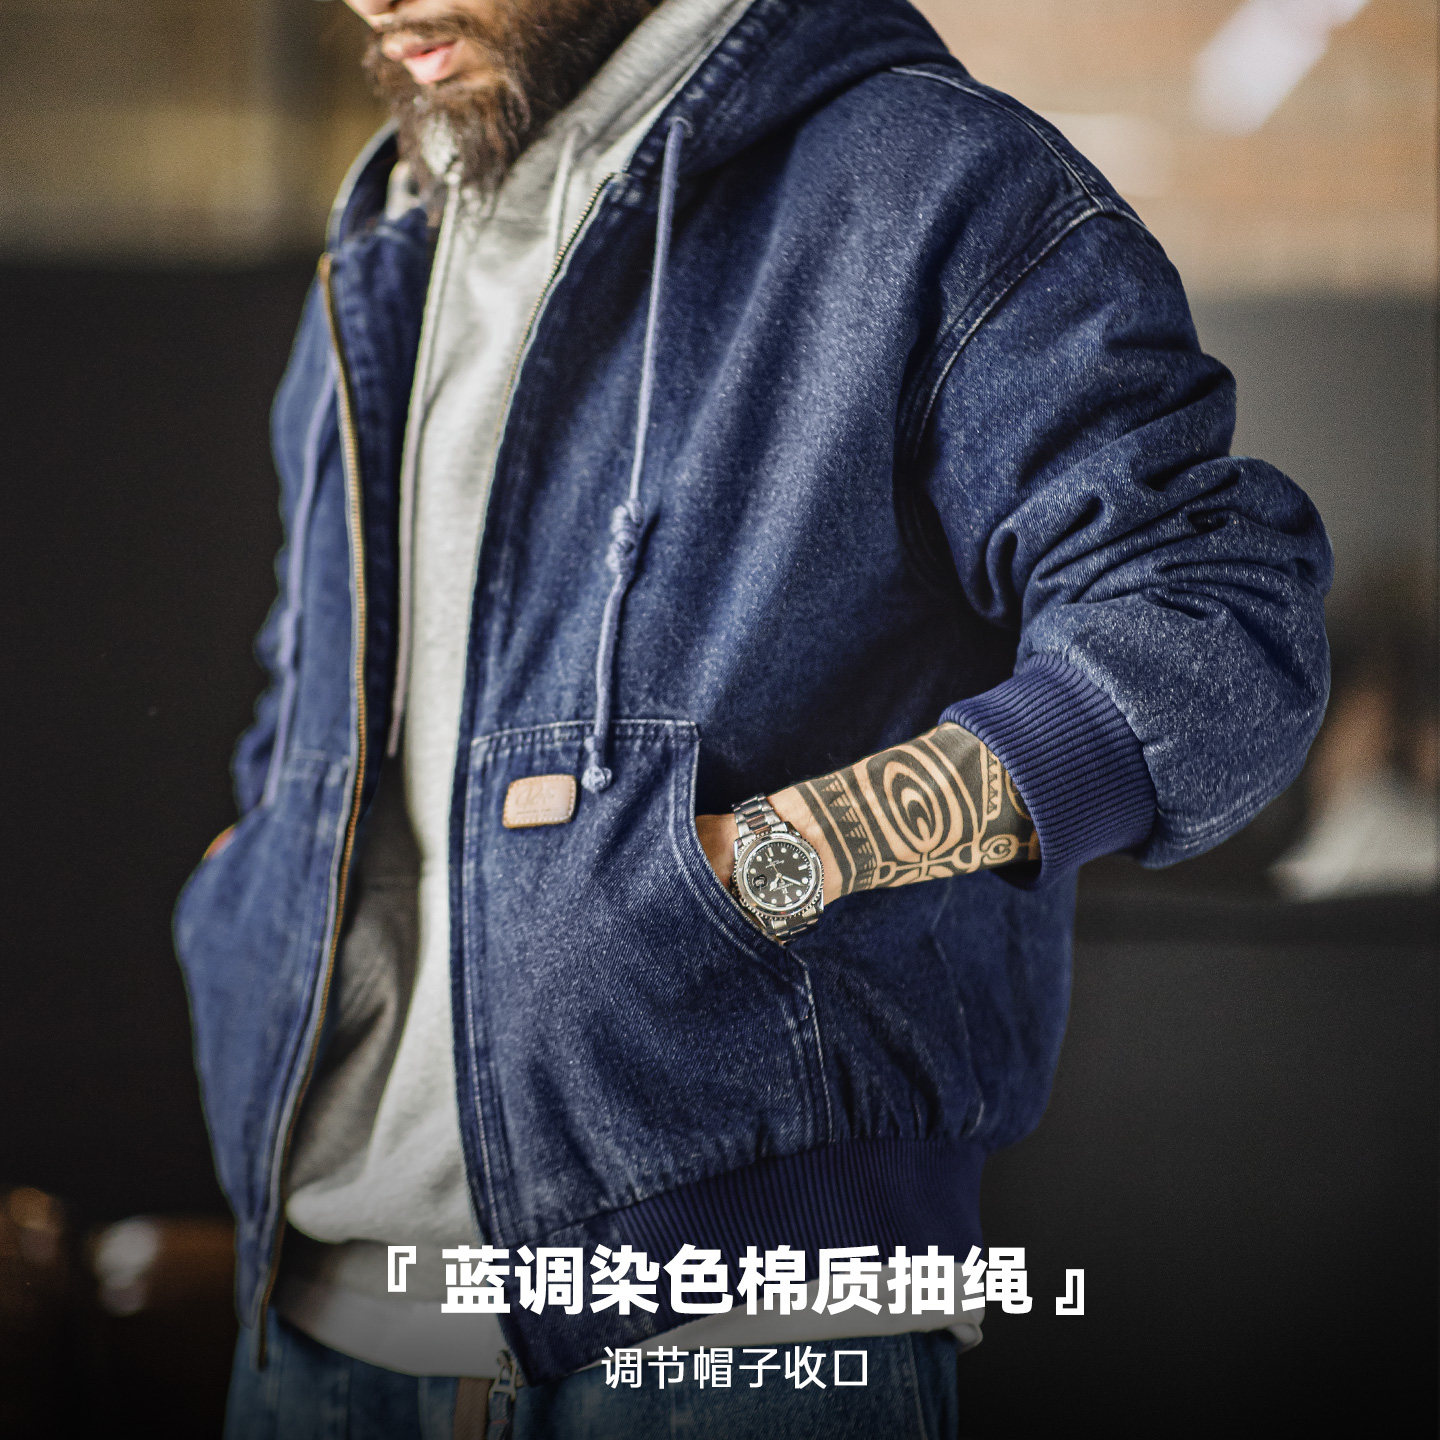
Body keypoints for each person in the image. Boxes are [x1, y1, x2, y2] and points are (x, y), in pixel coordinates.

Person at [175, 0, 1332, 1435]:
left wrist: (775, 860)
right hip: (307, 1328)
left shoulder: (932, 183)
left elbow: (1213, 624)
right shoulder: (391, 239)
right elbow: (316, 686)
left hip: (739, 1345)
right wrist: (252, 888)